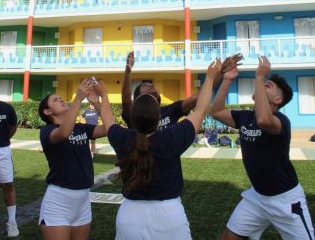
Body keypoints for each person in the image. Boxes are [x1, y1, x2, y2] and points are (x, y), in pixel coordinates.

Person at [95, 60, 223, 240]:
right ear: (158, 118)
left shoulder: (122, 138)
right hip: (169, 216)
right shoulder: (171, 138)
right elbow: (200, 110)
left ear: (132, 117)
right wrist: (210, 78)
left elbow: (107, 118)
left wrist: (104, 95)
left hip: (129, 216)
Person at [210, 56, 314, 240]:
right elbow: (216, 111)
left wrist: (259, 77)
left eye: (268, 86)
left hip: (286, 199)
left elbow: (264, 120)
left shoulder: (280, 121)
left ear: (278, 100)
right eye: (264, 83)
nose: (263, 84)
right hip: (257, 197)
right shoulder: (245, 117)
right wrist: (227, 79)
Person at [38, 79, 107, 240]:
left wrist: (96, 102)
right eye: (55, 100)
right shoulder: (47, 132)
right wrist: (78, 99)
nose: (61, 99)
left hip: (83, 200)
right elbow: (63, 133)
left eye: (60, 98)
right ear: (48, 112)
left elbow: (108, 128)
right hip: (59, 202)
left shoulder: (80, 128)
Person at [122, 51, 243, 131]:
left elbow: (199, 97)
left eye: (151, 83)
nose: (151, 85)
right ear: (138, 96)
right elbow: (127, 102)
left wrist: (221, 73)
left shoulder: (170, 110)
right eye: (146, 85)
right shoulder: (135, 115)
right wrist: (128, 72)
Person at [0, 86, 19, 238]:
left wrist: (3, 140)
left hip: (3, 150)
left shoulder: (7, 109)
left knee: (8, 185)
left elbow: (12, 127)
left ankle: (12, 222)